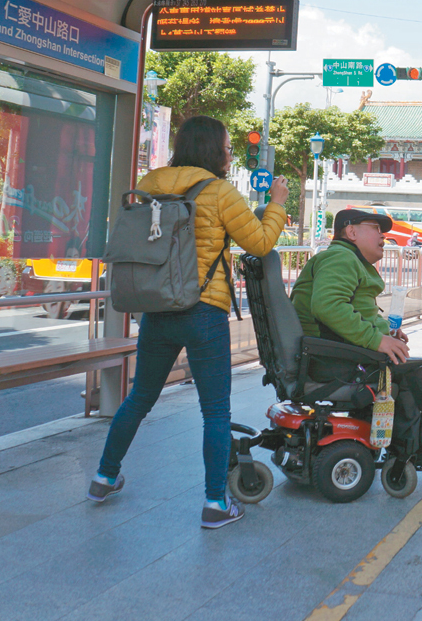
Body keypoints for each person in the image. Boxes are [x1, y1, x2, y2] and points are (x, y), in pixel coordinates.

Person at [88, 116, 289, 530]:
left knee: (139, 398)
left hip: (157, 309)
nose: (231, 152)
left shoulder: (151, 182)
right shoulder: (219, 191)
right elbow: (260, 242)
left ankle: (104, 477)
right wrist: (278, 204)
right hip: (203, 311)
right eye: (228, 146)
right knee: (214, 411)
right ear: (214, 150)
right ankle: (216, 503)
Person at [291, 209, 422, 469]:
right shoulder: (340, 258)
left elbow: (345, 310)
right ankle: (407, 453)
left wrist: (384, 335)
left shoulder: (347, 259)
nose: (383, 235)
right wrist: (377, 341)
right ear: (351, 232)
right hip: (331, 360)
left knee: (406, 367)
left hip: (334, 353)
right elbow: (328, 306)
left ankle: (381, 441)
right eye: (376, 228)